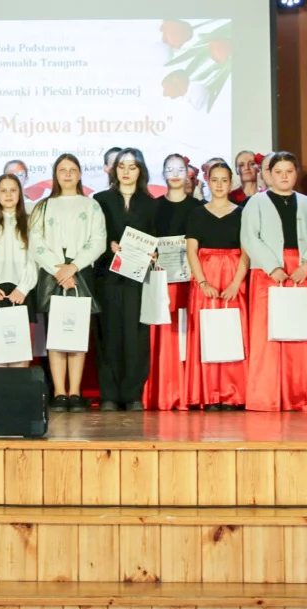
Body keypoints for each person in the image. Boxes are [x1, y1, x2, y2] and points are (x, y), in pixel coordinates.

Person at [241, 152, 307, 411]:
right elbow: (251, 237)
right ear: (268, 174)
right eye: (278, 171)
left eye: (289, 171)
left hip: (299, 271)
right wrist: (272, 266)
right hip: (268, 272)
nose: (284, 176)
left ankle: (299, 394)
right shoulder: (256, 202)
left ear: (296, 173)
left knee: (298, 333)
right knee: (268, 335)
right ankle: (267, 396)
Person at [30, 154, 107, 412]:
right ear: (55, 174)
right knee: (56, 334)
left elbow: (98, 241)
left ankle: (75, 392)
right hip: (53, 274)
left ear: (80, 174)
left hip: (80, 272)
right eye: (62, 170)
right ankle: (60, 392)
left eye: (72, 169)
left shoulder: (91, 205)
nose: (67, 174)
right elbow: (36, 242)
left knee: (76, 333)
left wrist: (73, 267)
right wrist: (58, 269)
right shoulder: (43, 206)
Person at [94, 147, 158, 411]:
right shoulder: (100, 200)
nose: (127, 172)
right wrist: (107, 244)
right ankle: (109, 394)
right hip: (107, 277)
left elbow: (157, 237)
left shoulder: (151, 203)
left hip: (136, 278)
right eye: (122, 166)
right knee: (108, 335)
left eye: (132, 167)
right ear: (113, 170)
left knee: (135, 337)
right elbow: (94, 237)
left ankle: (132, 395)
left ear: (140, 170)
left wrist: (155, 252)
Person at [186, 162, 250, 409]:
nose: (220, 185)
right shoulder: (197, 213)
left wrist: (236, 283)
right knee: (209, 334)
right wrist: (202, 282)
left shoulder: (243, 212)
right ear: (208, 182)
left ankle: (234, 394)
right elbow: (192, 250)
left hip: (234, 276)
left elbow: (246, 252)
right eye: (215, 180)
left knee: (233, 332)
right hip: (207, 277)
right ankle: (210, 394)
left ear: (231, 182)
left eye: (225, 180)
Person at [142, 154, 197, 410]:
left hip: (189, 282)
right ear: (163, 174)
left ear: (188, 173)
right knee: (162, 333)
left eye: (180, 169)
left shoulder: (200, 208)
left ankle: (187, 391)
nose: (175, 173)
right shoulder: (152, 207)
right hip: (161, 279)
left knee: (186, 334)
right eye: (169, 169)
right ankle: (163, 391)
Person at [0, 174, 37, 368]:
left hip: (21, 290)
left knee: (20, 350)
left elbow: (34, 259)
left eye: (13, 190)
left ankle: (19, 396)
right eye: (3, 190)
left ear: (20, 193)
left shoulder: (30, 221)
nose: (8, 194)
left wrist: (24, 287)